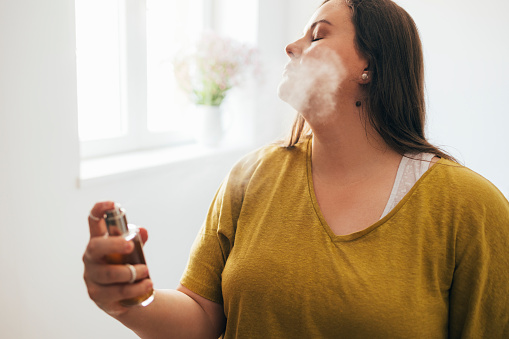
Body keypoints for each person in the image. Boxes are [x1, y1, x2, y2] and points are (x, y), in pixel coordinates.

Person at [83, 0, 509, 337]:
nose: (291, 47)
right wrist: (129, 301)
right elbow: (201, 316)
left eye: (317, 35)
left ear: (370, 67)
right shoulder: (252, 176)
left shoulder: (470, 207)